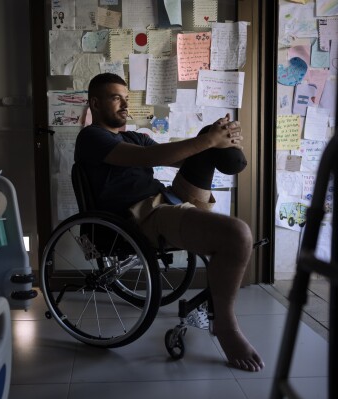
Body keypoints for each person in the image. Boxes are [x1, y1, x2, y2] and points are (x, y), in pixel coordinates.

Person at [74, 73, 264, 372]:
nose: (125, 104)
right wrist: (208, 141)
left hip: (167, 199)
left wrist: (218, 140)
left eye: (126, 97)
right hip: (141, 216)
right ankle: (225, 327)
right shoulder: (91, 138)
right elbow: (151, 156)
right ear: (95, 104)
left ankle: (223, 146)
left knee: (206, 143)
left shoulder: (133, 135)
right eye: (116, 97)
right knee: (238, 234)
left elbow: (177, 157)